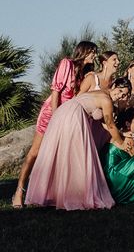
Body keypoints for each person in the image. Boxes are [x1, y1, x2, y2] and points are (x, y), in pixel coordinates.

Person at [24, 78, 134, 210]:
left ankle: (58, 194)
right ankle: (76, 195)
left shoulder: (101, 92)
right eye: (120, 90)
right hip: (74, 115)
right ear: (114, 85)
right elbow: (110, 125)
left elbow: (105, 123)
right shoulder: (107, 100)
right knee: (77, 156)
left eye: (124, 95)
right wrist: (121, 143)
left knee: (63, 155)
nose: (120, 95)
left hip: (63, 112)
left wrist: (121, 135)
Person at [12, 41, 98, 208]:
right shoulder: (67, 64)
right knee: (35, 152)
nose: (94, 55)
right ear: (84, 51)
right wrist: (55, 115)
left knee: (58, 155)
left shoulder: (86, 75)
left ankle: (53, 194)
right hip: (52, 113)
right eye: (92, 51)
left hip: (69, 118)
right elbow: (56, 91)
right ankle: (19, 190)